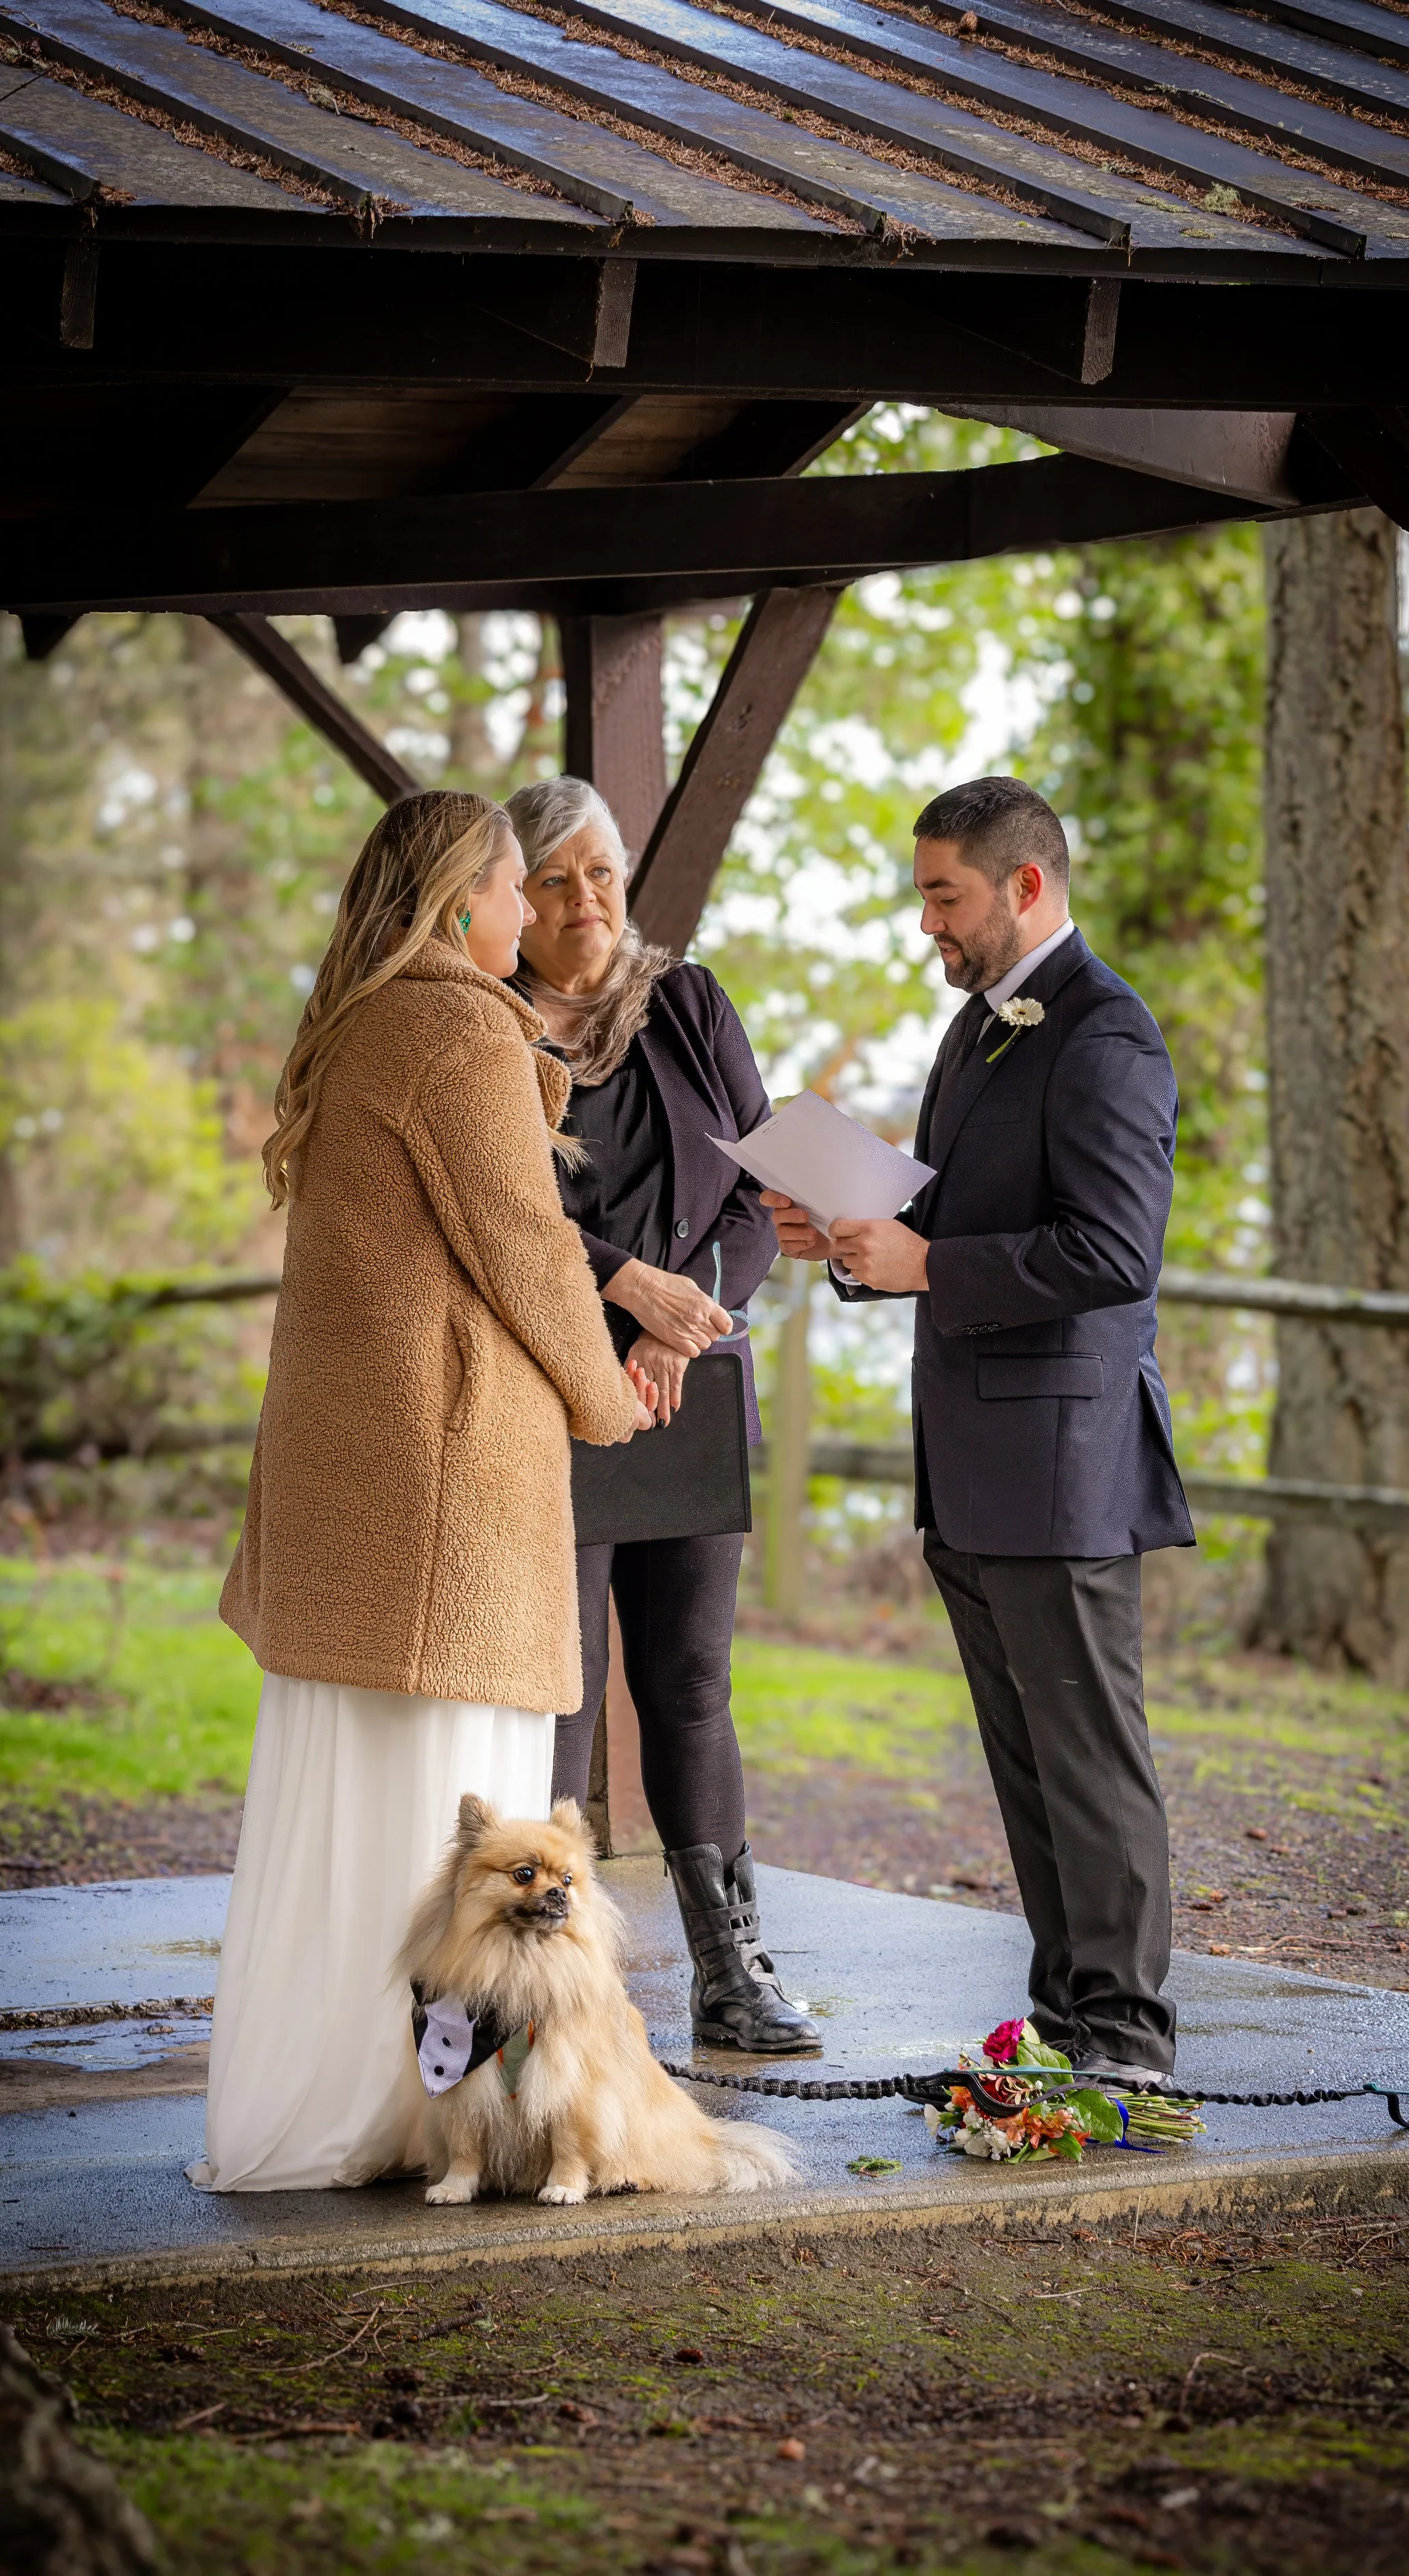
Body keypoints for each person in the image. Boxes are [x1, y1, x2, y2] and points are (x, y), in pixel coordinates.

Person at [192, 790, 652, 2193]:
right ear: (463, 899)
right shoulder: (457, 1026)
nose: (528, 914)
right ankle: (410, 2121)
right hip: (443, 1494)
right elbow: (524, 1242)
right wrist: (606, 1393)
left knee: (346, 1810)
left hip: (355, 1492)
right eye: (515, 887)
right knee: (443, 1809)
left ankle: (330, 2107)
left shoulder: (359, 1021)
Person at [765, 776, 1193, 2089]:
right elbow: (947, 1225)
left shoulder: (1106, 1035)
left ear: (1026, 885)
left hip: (1063, 1470)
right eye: (923, 898)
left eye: (945, 898)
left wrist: (928, 1265)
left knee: (1090, 1762)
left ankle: (1128, 2039)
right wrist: (850, 1240)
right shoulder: (976, 1031)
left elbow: (1113, 1253)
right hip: (969, 1468)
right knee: (1027, 1767)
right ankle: (1064, 2023)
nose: (928, 926)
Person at [504, 775, 818, 2054]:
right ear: (512, 896)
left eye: (601, 872)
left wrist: (676, 1321)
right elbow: (501, 1217)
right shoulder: (487, 1026)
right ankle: (543, 1983)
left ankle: (730, 1970)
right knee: (565, 1697)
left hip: (686, 1381)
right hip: (549, 1395)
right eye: (554, 878)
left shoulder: (686, 1004)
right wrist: (622, 1294)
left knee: (691, 1679)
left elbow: (764, 1195)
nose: (585, 899)